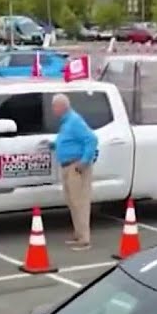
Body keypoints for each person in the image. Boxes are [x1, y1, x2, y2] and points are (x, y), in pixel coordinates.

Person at [51, 93, 98, 250]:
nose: (52, 109)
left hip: (76, 166)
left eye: (54, 106)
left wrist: (84, 162)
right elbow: (68, 140)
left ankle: (84, 239)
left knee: (80, 202)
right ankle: (78, 234)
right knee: (72, 201)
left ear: (62, 106)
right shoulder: (66, 123)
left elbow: (91, 139)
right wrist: (54, 145)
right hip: (67, 166)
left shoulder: (74, 121)